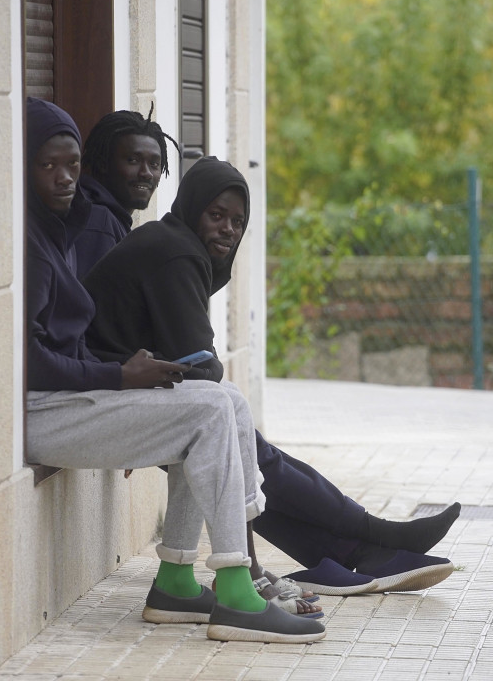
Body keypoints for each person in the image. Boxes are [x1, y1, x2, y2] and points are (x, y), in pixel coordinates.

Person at [83, 155, 461, 595]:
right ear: (192, 208)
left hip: (118, 388)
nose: (228, 229)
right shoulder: (175, 252)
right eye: (216, 215)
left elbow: (189, 360)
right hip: (97, 396)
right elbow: (203, 365)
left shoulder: (173, 243)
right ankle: (369, 536)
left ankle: (354, 552)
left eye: (237, 221)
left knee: (245, 445)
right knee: (243, 440)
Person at [20, 98, 324, 644]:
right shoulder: (30, 246)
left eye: (71, 164)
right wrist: (120, 380)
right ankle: (237, 591)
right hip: (43, 414)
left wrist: (129, 386)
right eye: (48, 165)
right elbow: (30, 363)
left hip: (73, 400)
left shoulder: (58, 232)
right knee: (208, 407)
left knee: (221, 400)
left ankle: (177, 582)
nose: (65, 178)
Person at [73, 107, 174, 278]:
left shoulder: (106, 216)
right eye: (133, 160)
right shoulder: (98, 221)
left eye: (154, 164)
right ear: (103, 163)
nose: (146, 173)